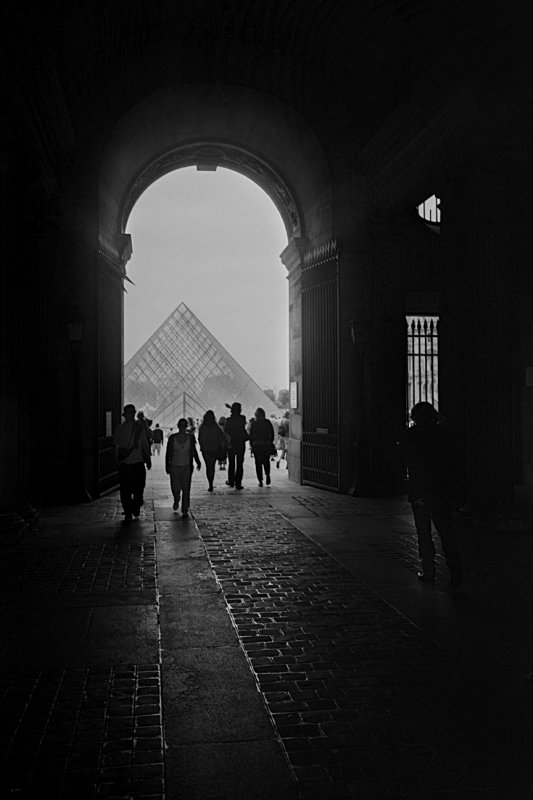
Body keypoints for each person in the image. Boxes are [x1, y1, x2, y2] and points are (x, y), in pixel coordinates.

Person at [406, 401, 463, 587]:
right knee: (447, 532)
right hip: (441, 490)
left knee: (424, 533)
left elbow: (405, 459)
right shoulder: (444, 434)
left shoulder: (413, 435)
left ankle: (428, 570)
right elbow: (454, 462)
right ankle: (456, 572)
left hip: (421, 490)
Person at [113, 404, 152, 521]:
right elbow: (144, 445)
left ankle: (131, 508)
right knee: (133, 489)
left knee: (131, 489)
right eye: (130, 412)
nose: (131, 414)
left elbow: (117, 447)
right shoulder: (134, 428)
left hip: (132, 462)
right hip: (131, 463)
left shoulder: (122, 428)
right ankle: (132, 508)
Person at [165, 418, 201, 518]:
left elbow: (193, 451)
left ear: (185, 427)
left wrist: (197, 461)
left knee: (186, 488)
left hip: (186, 466)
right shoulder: (172, 438)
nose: (182, 427)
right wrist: (167, 465)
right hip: (174, 466)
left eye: (184, 425)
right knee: (175, 487)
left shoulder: (190, 438)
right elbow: (168, 453)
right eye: (181, 425)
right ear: (178, 426)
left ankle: (185, 508)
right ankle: (177, 498)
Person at [198, 410, 228, 491]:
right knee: (212, 466)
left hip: (206, 450)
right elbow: (222, 437)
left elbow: (200, 439)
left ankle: (210, 483)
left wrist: (202, 446)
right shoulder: (216, 427)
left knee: (208, 466)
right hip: (214, 449)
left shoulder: (202, 427)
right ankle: (211, 482)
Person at [224, 402, 249, 489]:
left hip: (231, 443)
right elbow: (238, 416)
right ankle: (238, 482)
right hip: (240, 443)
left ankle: (231, 481)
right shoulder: (242, 418)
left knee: (231, 463)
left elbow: (226, 431)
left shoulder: (228, 420)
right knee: (239, 464)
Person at [249, 407, 275, 487]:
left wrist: (251, 445)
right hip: (266, 445)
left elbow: (251, 435)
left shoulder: (254, 423)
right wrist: (270, 443)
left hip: (257, 446)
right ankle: (267, 474)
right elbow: (272, 434)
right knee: (266, 461)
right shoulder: (267, 422)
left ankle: (260, 480)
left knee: (258, 463)